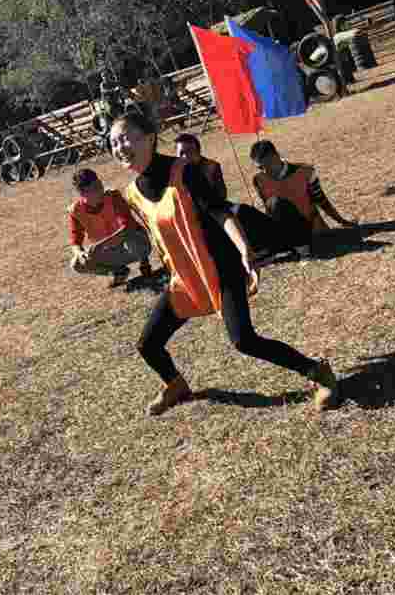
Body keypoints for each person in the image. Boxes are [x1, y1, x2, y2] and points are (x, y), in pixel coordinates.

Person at [109, 111, 338, 416]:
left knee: (243, 340)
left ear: (149, 137)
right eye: (113, 142)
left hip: (222, 267)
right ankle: (175, 384)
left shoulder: (184, 171)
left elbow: (220, 212)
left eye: (126, 138)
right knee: (148, 344)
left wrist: (244, 250)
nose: (120, 147)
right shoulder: (132, 194)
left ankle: (318, 372)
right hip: (184, 277)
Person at [247, 140, 358, 257]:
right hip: (283, 231)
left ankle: (301, 248)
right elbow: (269, 210)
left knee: (276, 202)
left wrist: (341, 221)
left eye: (265, 165)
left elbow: (321, 200)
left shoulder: (306, 171)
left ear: (276, 156)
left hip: (309, 229)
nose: (263, 170)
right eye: (260, 167)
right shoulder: (258, 180)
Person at [68, 168, 153, 288]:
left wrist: (101, 245)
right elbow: (75, 241)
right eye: (95, 188)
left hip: (132, 244)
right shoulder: (75, 211)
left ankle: (144, 263)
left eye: (100, 184)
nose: (101, 190)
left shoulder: (113, 196)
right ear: (82, 193)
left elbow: (127, 226)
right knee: (76, 264)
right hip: (111, 251)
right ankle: (119, 272)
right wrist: (80, 253)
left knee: (131, 236)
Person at [174, 133, 228, 201]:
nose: (185, 156)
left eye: (189, 151)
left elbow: (222, 195)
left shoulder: (212, 167)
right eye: (181, 153)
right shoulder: (175, 172)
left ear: (198, 151)